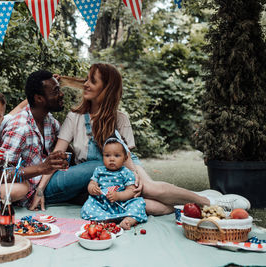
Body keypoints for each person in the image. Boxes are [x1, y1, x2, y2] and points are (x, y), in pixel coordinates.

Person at [29, 63, 250, 214]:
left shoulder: (120, 119)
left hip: (125, 165)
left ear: (106, 89)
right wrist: (40, 189)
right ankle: (188, 202)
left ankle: (212, 203)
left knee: (148, 188)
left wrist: (134, 180)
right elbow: (57, 156)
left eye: (92, 82)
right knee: (151, 207)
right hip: (98, 175)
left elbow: (128, 157)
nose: (86, 84)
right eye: (86, 80)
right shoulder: (74, 117)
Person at [0, 70, 68, 207]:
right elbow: (1, 175)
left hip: (48, 181)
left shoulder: (50, 121)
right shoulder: (19, 128)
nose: (61, 94)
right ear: (39, 99)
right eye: (55, 91)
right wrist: (41, 168)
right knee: (93, 168)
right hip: (31, 192)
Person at [81, 134, 147, 230]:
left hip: (122, 203)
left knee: (138, 204)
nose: (111, 159)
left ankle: (128, 220)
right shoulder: (99, 170)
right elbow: (92, 183)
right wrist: (92, 188)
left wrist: (118, 196)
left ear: (125, 158)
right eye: (107, 155)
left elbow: (131, 191)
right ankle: (104, 219)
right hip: (102, 203)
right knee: (88, 207)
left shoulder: (126, 172)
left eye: (117, 155)